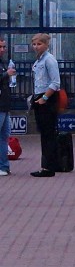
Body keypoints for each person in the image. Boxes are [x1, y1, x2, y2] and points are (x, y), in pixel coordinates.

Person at [29, 33, 61, 177]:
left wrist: (45, 98)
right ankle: (48, 165)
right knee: (44, 132)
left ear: (46, 45)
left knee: (48, 133)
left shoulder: (49, 60)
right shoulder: (38, 60)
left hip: (47, 98)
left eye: (39, 44)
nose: (36, 47)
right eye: (34, 44)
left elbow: (55, 82)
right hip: (38, 96)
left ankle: (48, 167)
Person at [0, 37, 15, 177]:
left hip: (4, 105)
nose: (3, 50)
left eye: (4, 47)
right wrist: (6, 74)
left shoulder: (3, 62)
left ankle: (4, 166)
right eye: (0, 47)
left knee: (4, 136)